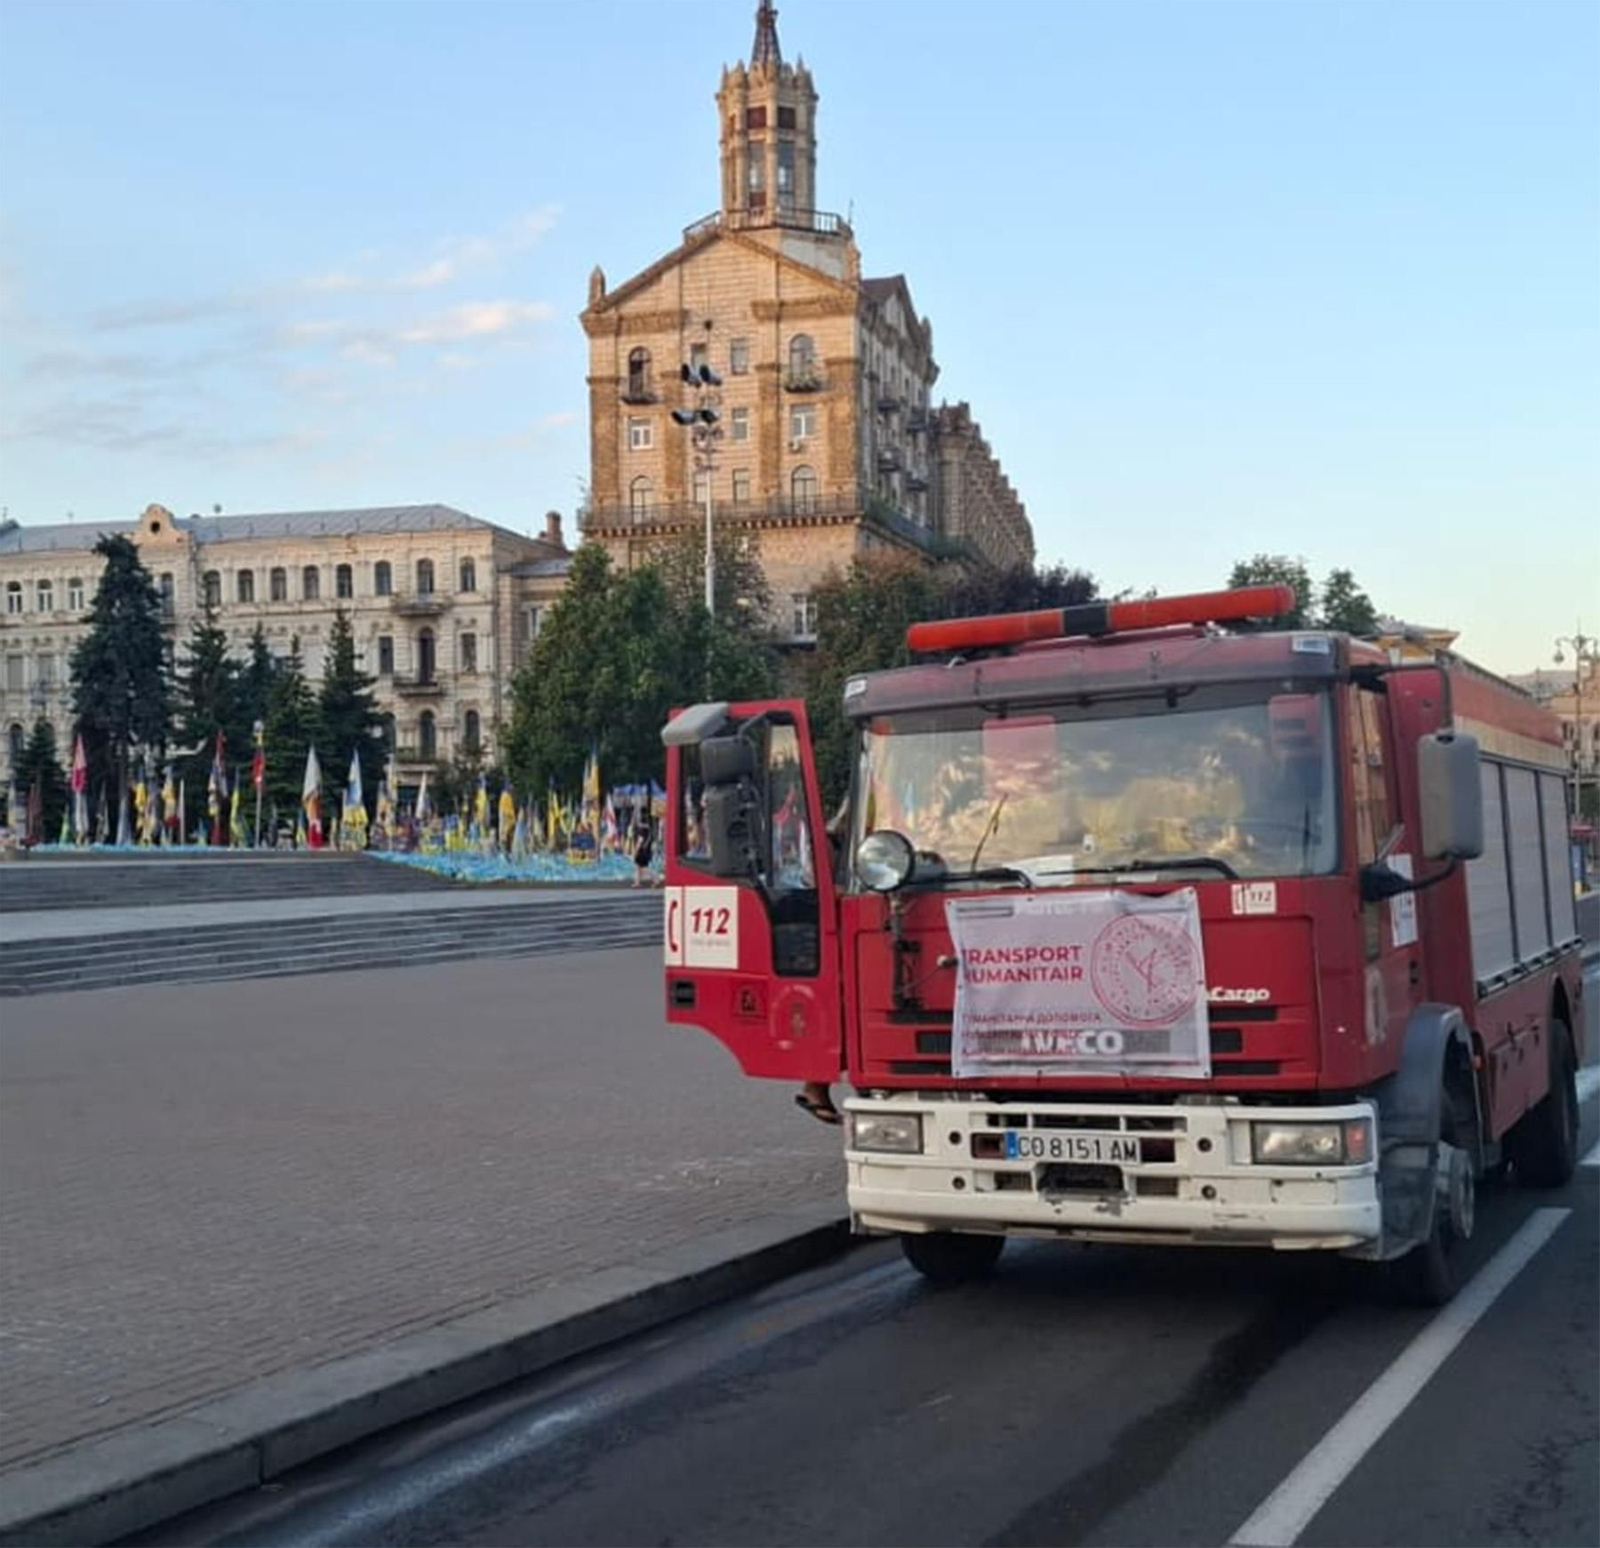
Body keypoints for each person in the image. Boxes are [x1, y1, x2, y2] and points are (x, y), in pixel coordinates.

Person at [630, 812, 654, 887]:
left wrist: (635, 852)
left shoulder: (641, 831)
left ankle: (656, 879)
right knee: (639, 867)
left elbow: (639, 842)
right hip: (647, 850)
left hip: (641, 851)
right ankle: (637, 882)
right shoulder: (649, 830)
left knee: (643, 868)